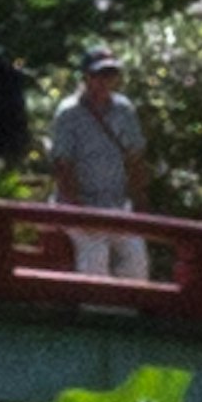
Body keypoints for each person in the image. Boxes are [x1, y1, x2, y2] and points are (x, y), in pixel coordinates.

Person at [42, 47, 152, 281]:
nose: (104, 81)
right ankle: (96, 314)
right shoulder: (69, 113)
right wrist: (79, 210)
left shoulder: (124, 109)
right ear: (86, 77)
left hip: (117, 204)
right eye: (99, 75)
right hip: (81, 205)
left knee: (136, 262)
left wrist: (139, 199)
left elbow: (134, 157)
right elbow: (63, 165)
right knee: (95, 261)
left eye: (110, 74)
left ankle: (127, 314)